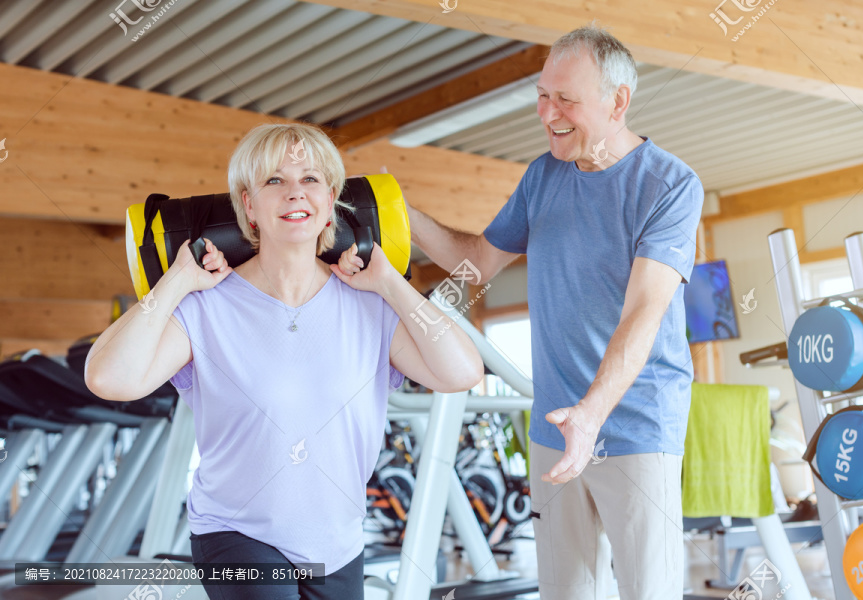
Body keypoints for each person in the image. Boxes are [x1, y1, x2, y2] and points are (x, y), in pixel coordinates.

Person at [85, 123, 483, 600]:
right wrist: (175, 283)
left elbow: (462, 373)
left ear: (331, 198)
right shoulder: (205, 306)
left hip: (337, 543)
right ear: (248, 205)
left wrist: (390, 283)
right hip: (236, 533)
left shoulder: (371, 306)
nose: (295, 192)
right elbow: (107, 378)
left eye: (311, 179)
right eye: (274, 180)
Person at [406, 23, 704, 600]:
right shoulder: (542, 176)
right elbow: (475, 265)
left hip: (635, 426)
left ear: (618, 101)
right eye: (543, 95)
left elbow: (644, 312)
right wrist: (398, 208)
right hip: (552, 423)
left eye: (566, 99)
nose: (547, 113)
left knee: (649, 591)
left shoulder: (668, 185)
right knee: (565, 592)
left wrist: (591, 415)